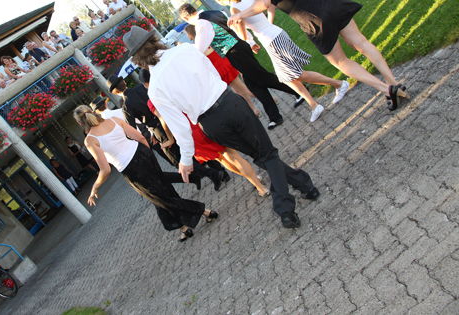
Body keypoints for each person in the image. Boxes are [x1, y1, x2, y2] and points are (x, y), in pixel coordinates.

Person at [123, 25, 319, 228]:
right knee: (267, 155)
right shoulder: (185, 49)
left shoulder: (154, 88)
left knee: (262, 156)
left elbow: (180, 126)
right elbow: (213, 73)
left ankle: (304, 184)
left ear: (137, 60)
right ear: (154, 40)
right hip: (229, 103)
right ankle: (285, 208)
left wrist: (186, 159)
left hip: (210, 124)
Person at [224, 0, 407, 111]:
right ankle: (393, 83)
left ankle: (387, 89)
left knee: (340, 61)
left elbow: (263, 2)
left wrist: (239, 15)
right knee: (361, 42)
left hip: (307, 14)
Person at [210, 0, 351, 122]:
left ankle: (338, 84)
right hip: (275, 34)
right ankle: (314, 105)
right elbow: (266, 6)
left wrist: (234, 26)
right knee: (287, 78)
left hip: (271, 40)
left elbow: (243, 36)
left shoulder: (234, 9)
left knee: (297, 74)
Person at [75, 105, 218, 242]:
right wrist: (148, 155)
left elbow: (105, 170)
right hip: (143, 154)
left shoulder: (90, 140)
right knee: (163, 191)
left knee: (160, 198)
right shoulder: (114, 120)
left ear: (80, 123)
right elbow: (141, 137)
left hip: (131, 169)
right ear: (91, 111)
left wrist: (94, 187)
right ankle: (183, 227)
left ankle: (204, 211)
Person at [140, 70, 268, 197]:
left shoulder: (153, 99)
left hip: (190, 133)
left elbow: (164, 121)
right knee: (231, 155)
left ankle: (256, 182)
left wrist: (170, 138)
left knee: (223, 158)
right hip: (199, 121)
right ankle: (257, 183)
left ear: (146, 84)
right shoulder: (172, 83)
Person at [178, 3, 304, 130]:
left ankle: (299, 91)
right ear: (194, 9)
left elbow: (200, 48)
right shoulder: (214, 12)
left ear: (186, 18)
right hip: (238, 47)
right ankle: (274, 116)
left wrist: (184, 48)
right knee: (253, 85)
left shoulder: (201, 23)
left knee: (263, 78)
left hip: (234, 51)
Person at [184, 25, 261, 118]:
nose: (187, 36)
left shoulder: (198, 45)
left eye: (187, 34)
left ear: (191, 33)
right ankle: (253, 109)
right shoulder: (201, 41)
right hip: (222, 68)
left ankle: (268, 98)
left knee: (244, 90)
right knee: (238, 91)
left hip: (223, 68)